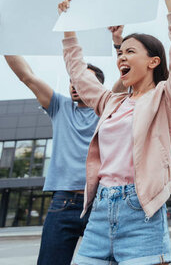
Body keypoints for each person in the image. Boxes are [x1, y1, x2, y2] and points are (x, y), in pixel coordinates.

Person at [60, 0, 171, 265]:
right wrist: (69, 26)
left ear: (153, 61)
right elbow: (79, 74)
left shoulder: (167, 98)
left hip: (141, 211)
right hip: (100, 211)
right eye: (120, 53)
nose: (121, 57)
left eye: (130, 52)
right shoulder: (111, 102)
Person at [4, 29, 123, 265]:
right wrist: (5, 37)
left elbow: (127, 77)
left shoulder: (108, 105)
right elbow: (26, 76)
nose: (74, 85)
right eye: (71, 80)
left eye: (81, 81)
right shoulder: (59, 106)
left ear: (97, 86)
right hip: (63, 203)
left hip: (101, 202)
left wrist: (118, 43)